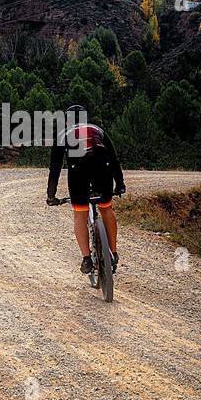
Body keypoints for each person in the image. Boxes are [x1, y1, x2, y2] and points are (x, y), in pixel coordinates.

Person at [46, 105, 125, 274]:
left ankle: (87, 259)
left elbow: (55, 167)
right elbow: (114, 158)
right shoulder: (97, 129)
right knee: (106, 207)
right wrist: (120, 184)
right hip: (102, 168)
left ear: (67, 120)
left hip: (78, 172)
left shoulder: (63, 134)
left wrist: (51, 195)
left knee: (80, 213)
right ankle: (114, 252)